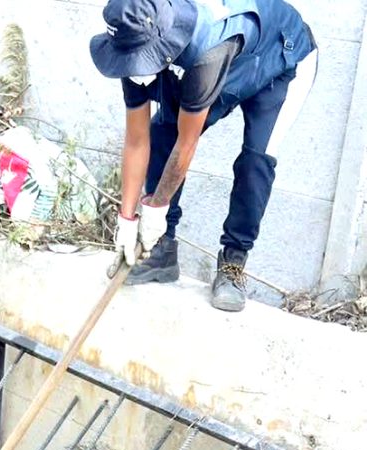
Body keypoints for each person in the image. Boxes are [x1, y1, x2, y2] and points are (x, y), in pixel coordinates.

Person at [91, 0, 317, 312]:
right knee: (162, 131)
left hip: (280, 58)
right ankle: (161, 251)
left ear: (160, 44)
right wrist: (127, 220)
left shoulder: (207, 46)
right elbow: (136, 140)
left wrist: (155, 208)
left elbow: (187, 144)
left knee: (256, 159)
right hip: (227, 63)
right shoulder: (133, 38)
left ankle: (234, 261)